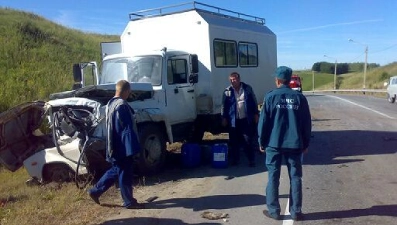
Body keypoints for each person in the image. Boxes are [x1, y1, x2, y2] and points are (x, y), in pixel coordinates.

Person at [258, 66, 311, 221]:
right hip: (294, 144)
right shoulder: (299, 98)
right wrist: (305, 143)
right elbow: (306, 124)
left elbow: (263, 123)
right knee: (295, 177)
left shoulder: (270, 97)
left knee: (273, 176)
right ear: (289, 80)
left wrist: (261, 141)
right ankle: (296, 211)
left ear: (278, 80)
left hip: (273, 144)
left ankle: (274, 211)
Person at [88, 80, 145, 209]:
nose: (129, 95)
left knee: (116, 170)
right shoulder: (122, 105)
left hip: (112, 144)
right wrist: (133, 148)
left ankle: (95, 191)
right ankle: (129, 201)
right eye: (128, 92)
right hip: (122, 146)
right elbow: (127, 129)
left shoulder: (110, 104)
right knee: (125, 172)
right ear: (125, 91)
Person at [221, 72, 259, 167]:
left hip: (245, 119)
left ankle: (251, 160)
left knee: (247, 140)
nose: (233, 81)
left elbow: (254, 101)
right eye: (231, 80)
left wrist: (256, 114)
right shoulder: (227, 91)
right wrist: (224, 117)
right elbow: (223, 106)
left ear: (239, 79)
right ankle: (235, 160)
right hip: (233, 120)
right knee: (234, 141)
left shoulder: (247, 88)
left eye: (234, 79)